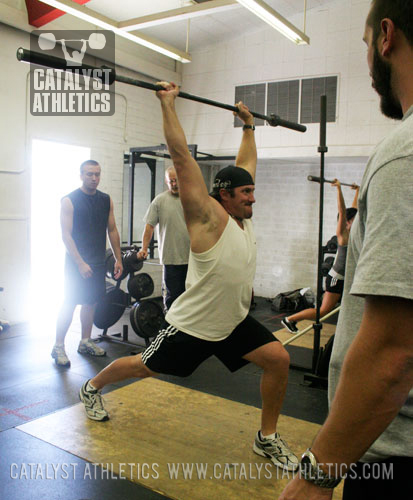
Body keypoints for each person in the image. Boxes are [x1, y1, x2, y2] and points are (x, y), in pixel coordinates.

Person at [79, 85, 299, 471]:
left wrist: (249, 127)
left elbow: (247, 164)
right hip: (194, 325)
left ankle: (266, 438)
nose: (253, 198)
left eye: (253, 191)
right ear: (224, 196)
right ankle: (91, 387)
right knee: (142, 365)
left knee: (278, 359)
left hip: (231, 322)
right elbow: (181, 157)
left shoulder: (241, 217)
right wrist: (167, 104)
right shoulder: (208, 219)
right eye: (246, 192)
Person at [279, 1, 413, 498]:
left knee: (328, 309)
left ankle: (296, 320)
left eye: (362, 47)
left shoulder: (403, 156)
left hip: (395, 456)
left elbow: (393, 352)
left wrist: (317, 475)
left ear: (385, 36)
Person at [51, 160, 123, 367]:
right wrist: (80, 262)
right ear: (81, 175)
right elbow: (66, 236)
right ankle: (58, 346)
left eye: (97, 174)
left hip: (98, 261)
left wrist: (118, 258)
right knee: (70, 302)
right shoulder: (69, 201)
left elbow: (112, 230)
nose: (94, 178)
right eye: (90, 174)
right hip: (76, 263)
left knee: (90, 302)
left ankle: (85, 341)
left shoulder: (106, 200)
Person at [281, 181, 359, 334]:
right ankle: (289, 320)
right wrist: (338, 189)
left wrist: (357, 191)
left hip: (345, 278)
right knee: (322, 312)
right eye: (354, 220)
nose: (358, 221)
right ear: (348, 222)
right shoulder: (343, 235)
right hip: (337, 278)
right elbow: (343, 212)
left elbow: (353, 210)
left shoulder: (354, 233)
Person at [137, 166, 190, 312]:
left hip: (193, 259)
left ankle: (188, 333)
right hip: (171, 259)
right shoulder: (159, 201)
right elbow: (149, 227)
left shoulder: (192, 199)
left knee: (191, 298)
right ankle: (171, 331)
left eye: (176, 180)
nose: (174, 184)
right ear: (167, 182)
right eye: (171, 181)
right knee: (172, 299)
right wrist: (144, 248)